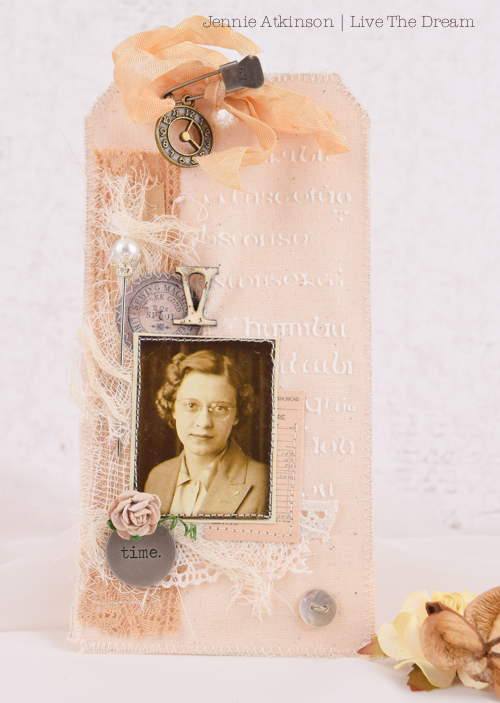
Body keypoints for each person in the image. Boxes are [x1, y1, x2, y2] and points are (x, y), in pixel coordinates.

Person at [145, 349, 270, 518]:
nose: (204, 422)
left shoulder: (263, 483)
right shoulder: (157, 477)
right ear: (173, 408)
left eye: (220, 408)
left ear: (237, 414)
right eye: (191, 405)